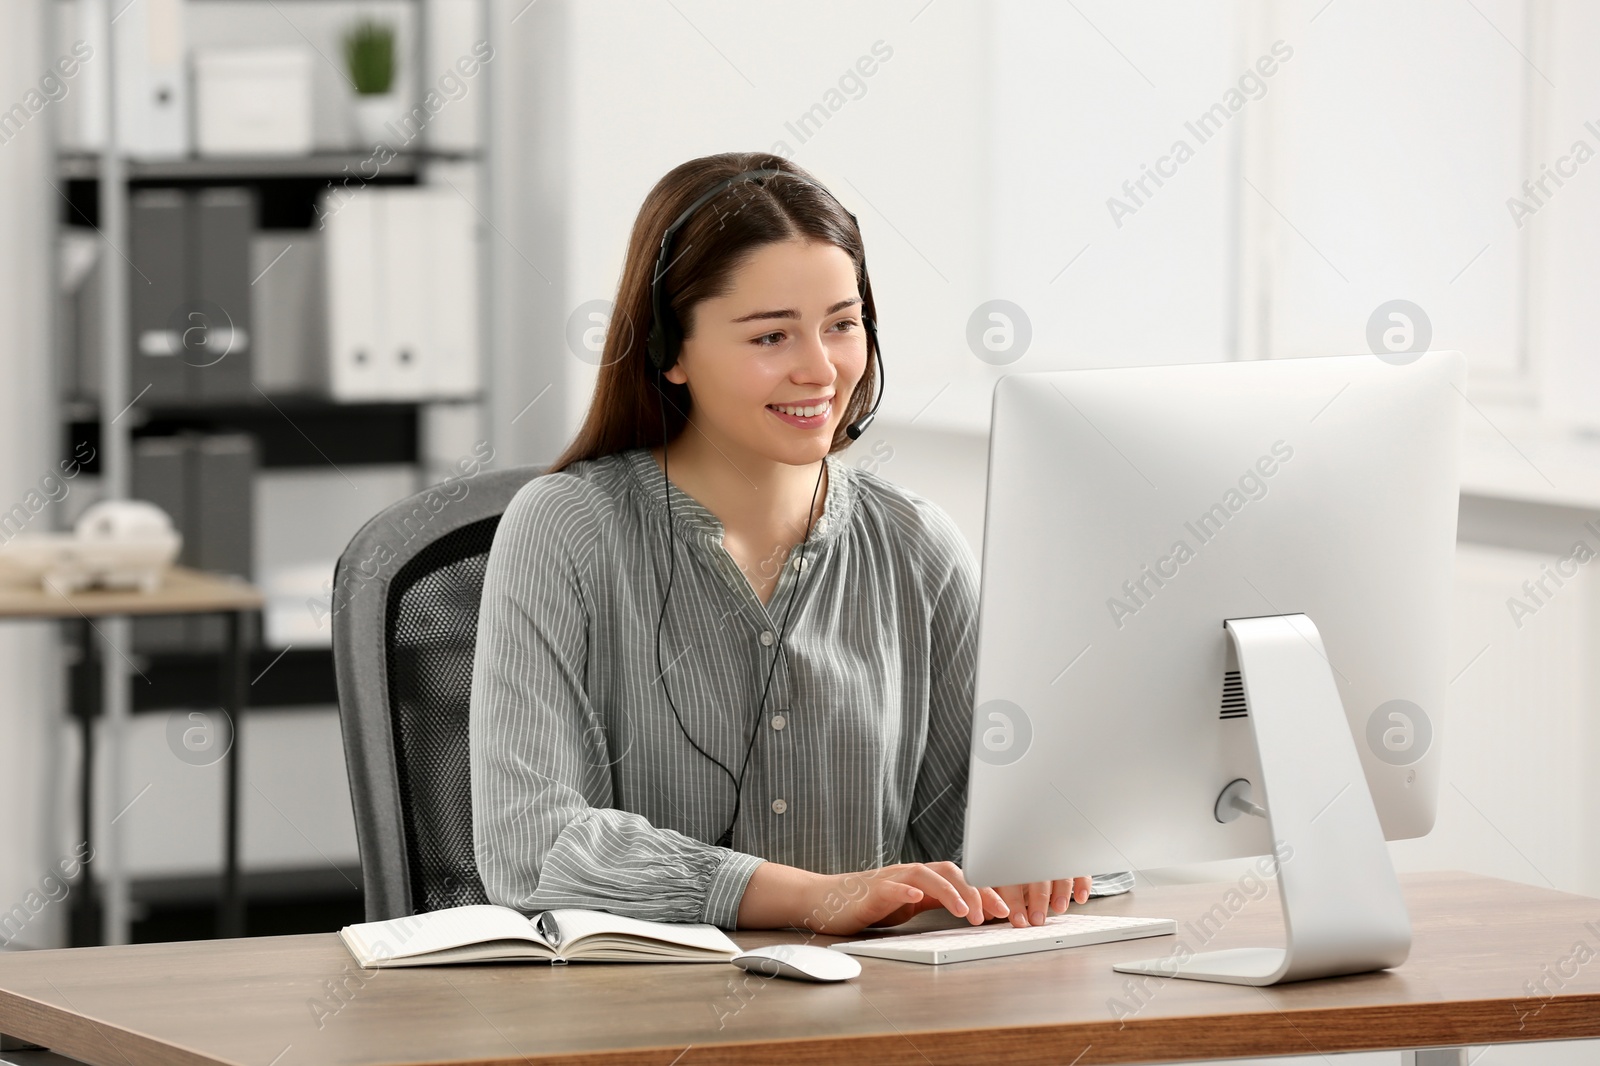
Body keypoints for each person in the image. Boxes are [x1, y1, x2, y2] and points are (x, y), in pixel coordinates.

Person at [469, 151, 1091, 935]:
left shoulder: (916, 547)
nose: (821, 370)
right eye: (771, 337)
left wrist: (1041, 854)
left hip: (875, 1019)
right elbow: (533, 846)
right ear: (671, 351)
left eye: (842, 324)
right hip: (635, 1028)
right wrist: (810, 897)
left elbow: (986, 830)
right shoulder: (565, 531)